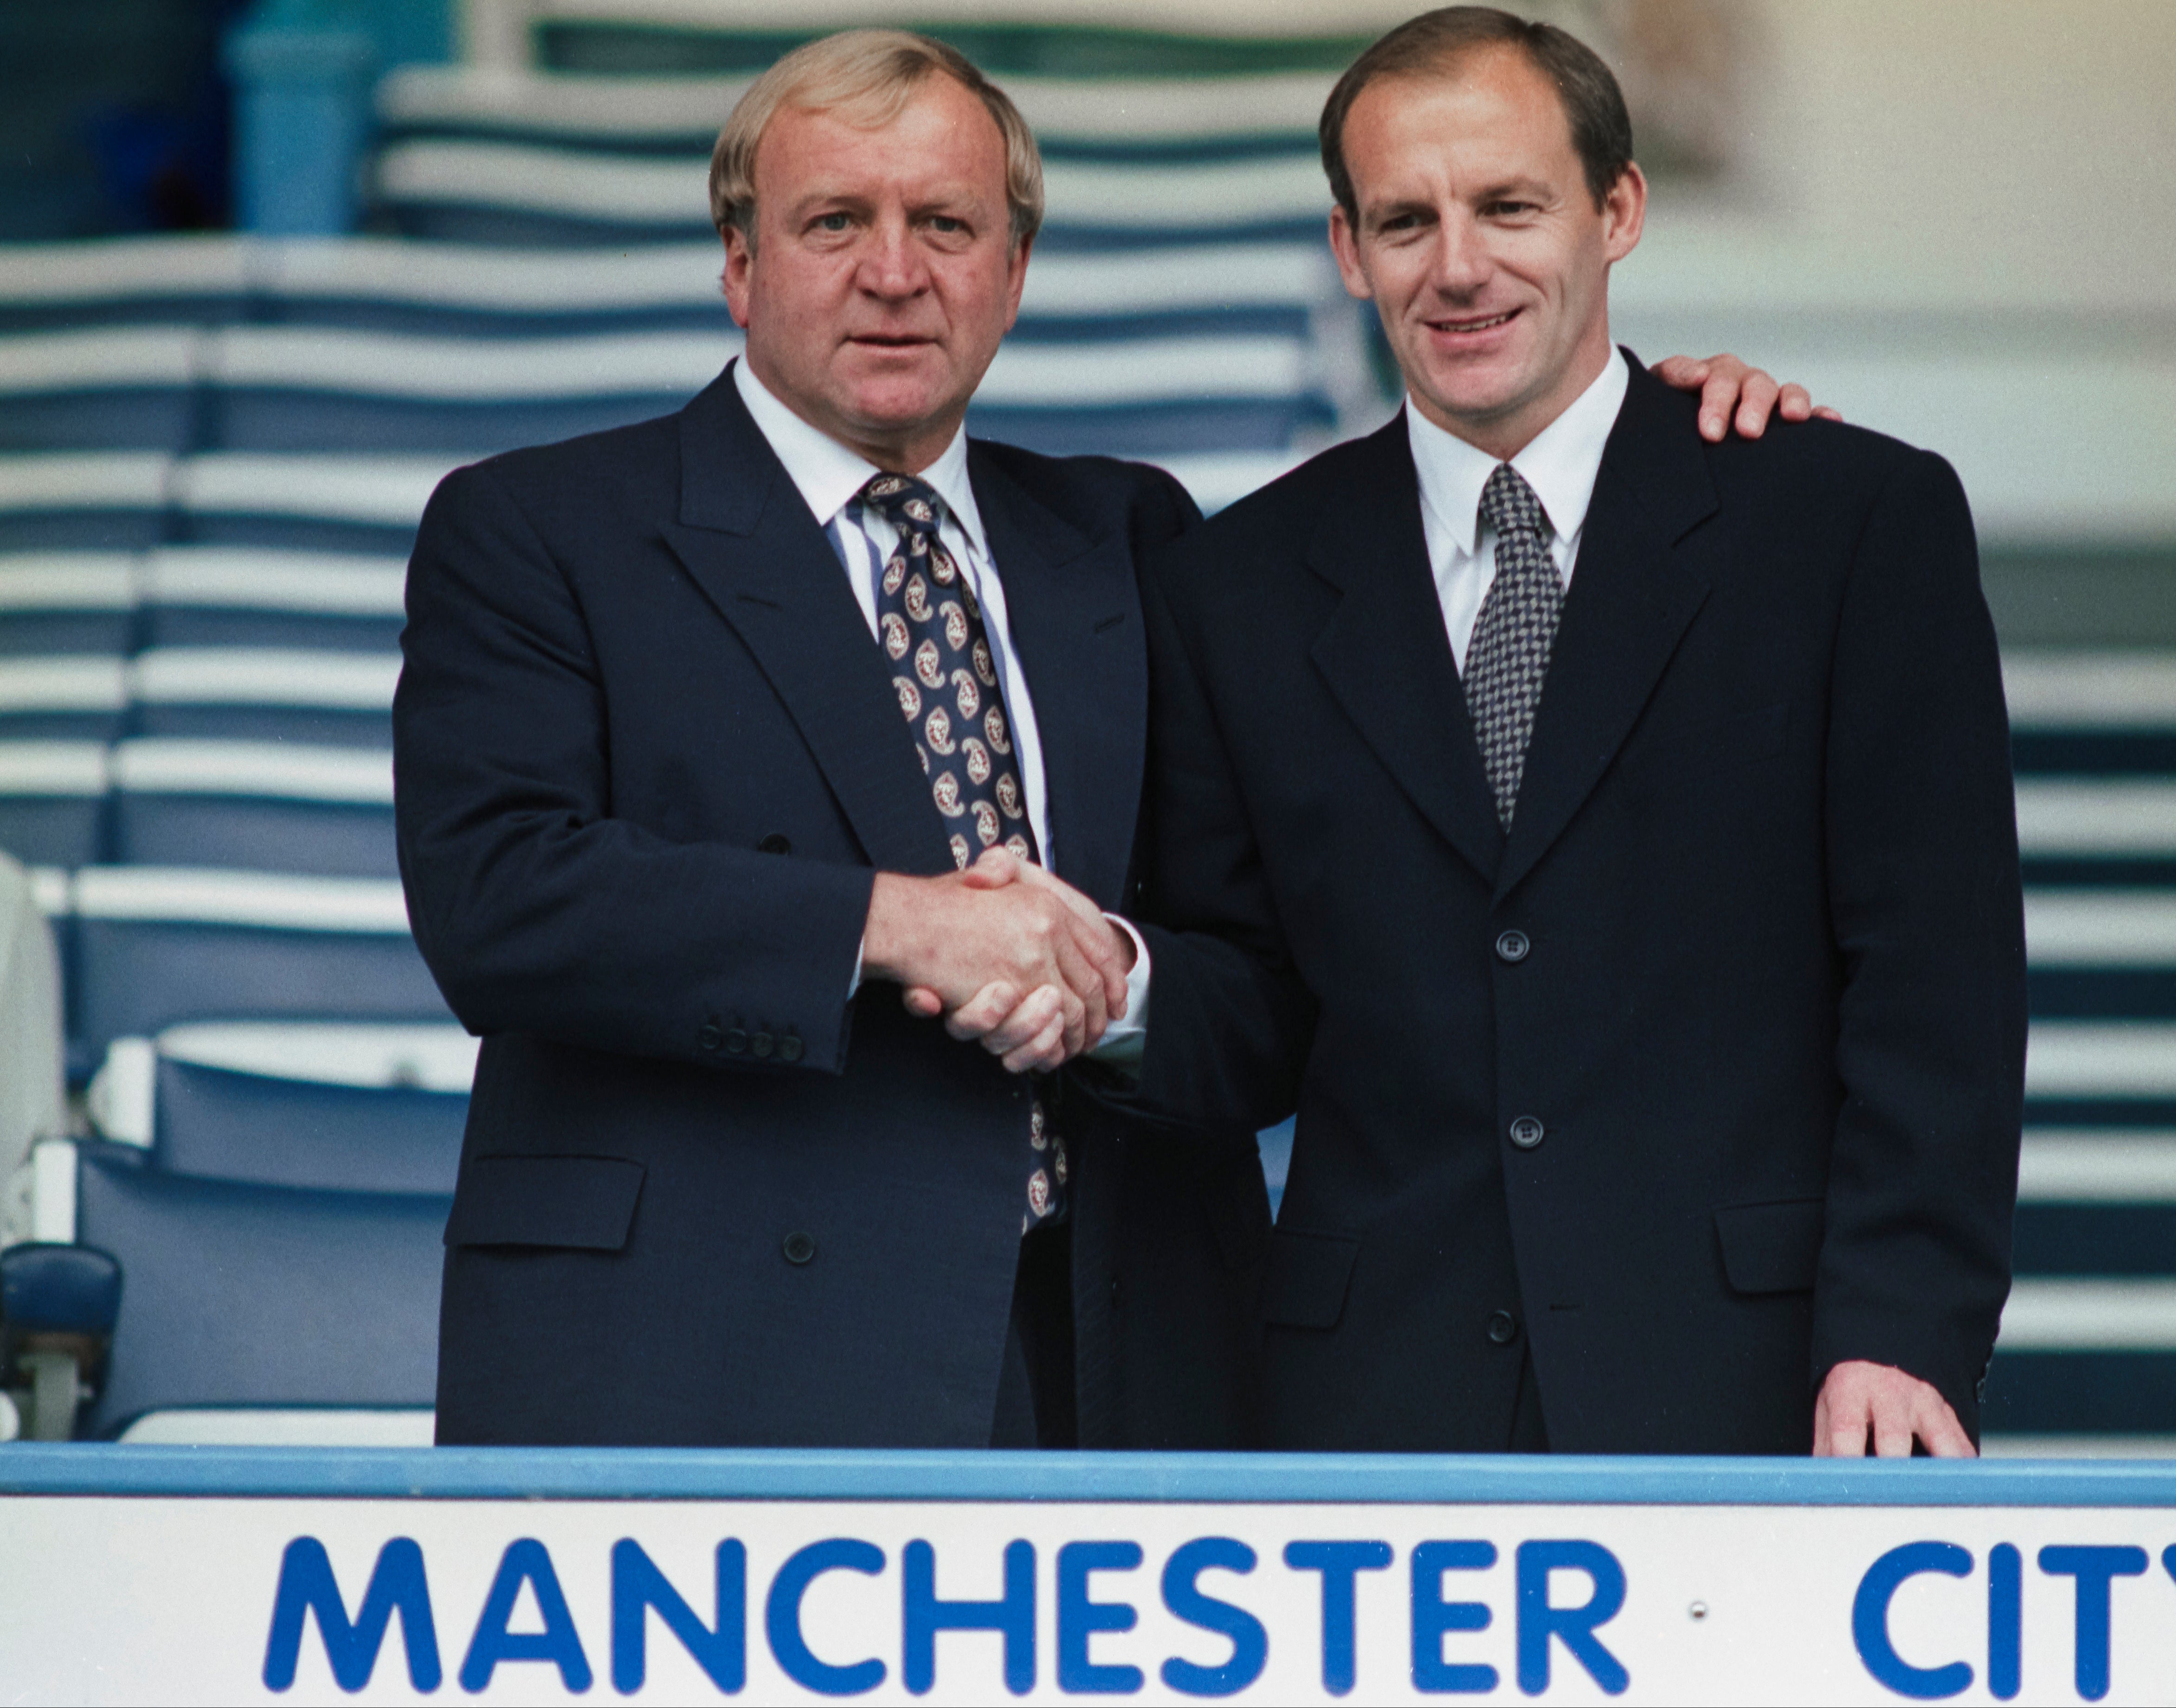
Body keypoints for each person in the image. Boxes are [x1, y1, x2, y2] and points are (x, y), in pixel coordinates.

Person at [395, 25, 1828, 1450]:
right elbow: (498, 901)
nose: (895, 273)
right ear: (739, 262)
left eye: (947, 225)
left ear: (1012, 274)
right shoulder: (538, 531)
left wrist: (1119, 987)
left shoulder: (1132, 541)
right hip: (705, 1365)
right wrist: (897, 926)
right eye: (835, 221)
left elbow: (1270, 963)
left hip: (1105, 1366)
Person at [1060, 7, 2025, 1456]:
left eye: (1509, 205)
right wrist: (1104, 985)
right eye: (1406, 220)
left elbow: (1936, 983)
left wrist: (1900, 1329)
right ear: (1347, 251)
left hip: (1759, 1391)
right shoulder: (1234, 588)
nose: (1459, 267)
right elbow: (1255, 1007)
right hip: (1369, 1408)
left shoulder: (1844, 525)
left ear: (1616, 209)